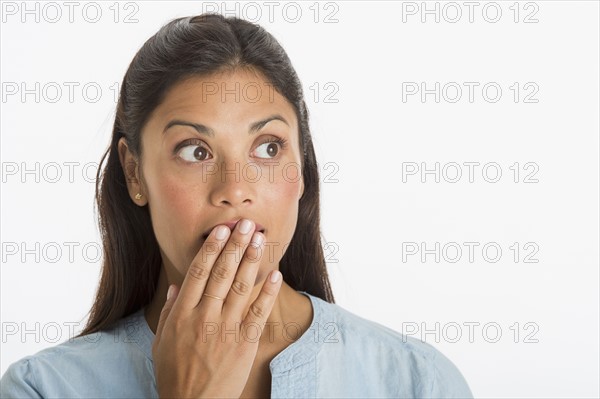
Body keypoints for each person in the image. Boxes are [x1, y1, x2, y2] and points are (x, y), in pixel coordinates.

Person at [0, 13, 473, 398]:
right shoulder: (43, 389)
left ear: (302, 167)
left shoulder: (417, 382)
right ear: (134, 173)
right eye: (195, 151)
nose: (235, 188)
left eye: (268, 148)